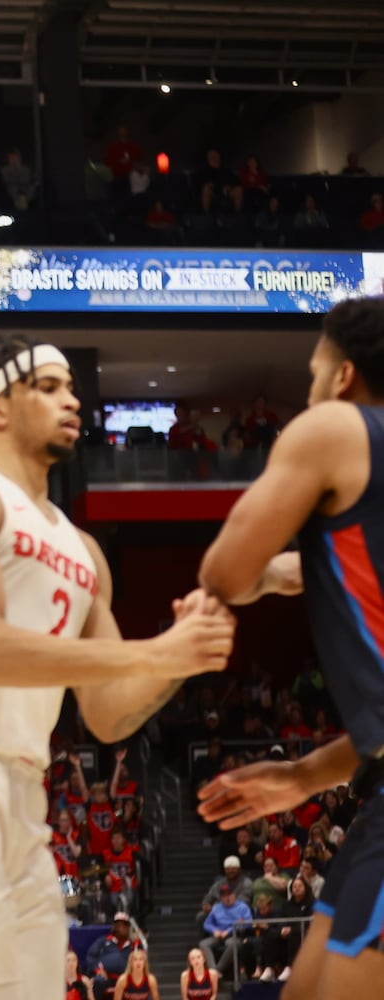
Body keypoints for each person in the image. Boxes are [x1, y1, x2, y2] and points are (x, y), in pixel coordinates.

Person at [0, 334, 235, 1000]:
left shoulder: (83, 547)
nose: (73, 397)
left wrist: (183, 652)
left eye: (72, 385)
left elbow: (109, 710)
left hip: (24, 790)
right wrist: (153, 650)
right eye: (49, 385)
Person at [196, 297, 384, 1000]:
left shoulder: (335, 426)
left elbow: (224, 570)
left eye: (312, 374)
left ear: (342, 377)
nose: (308, 393)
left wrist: (240, 586)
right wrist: (303, 774)